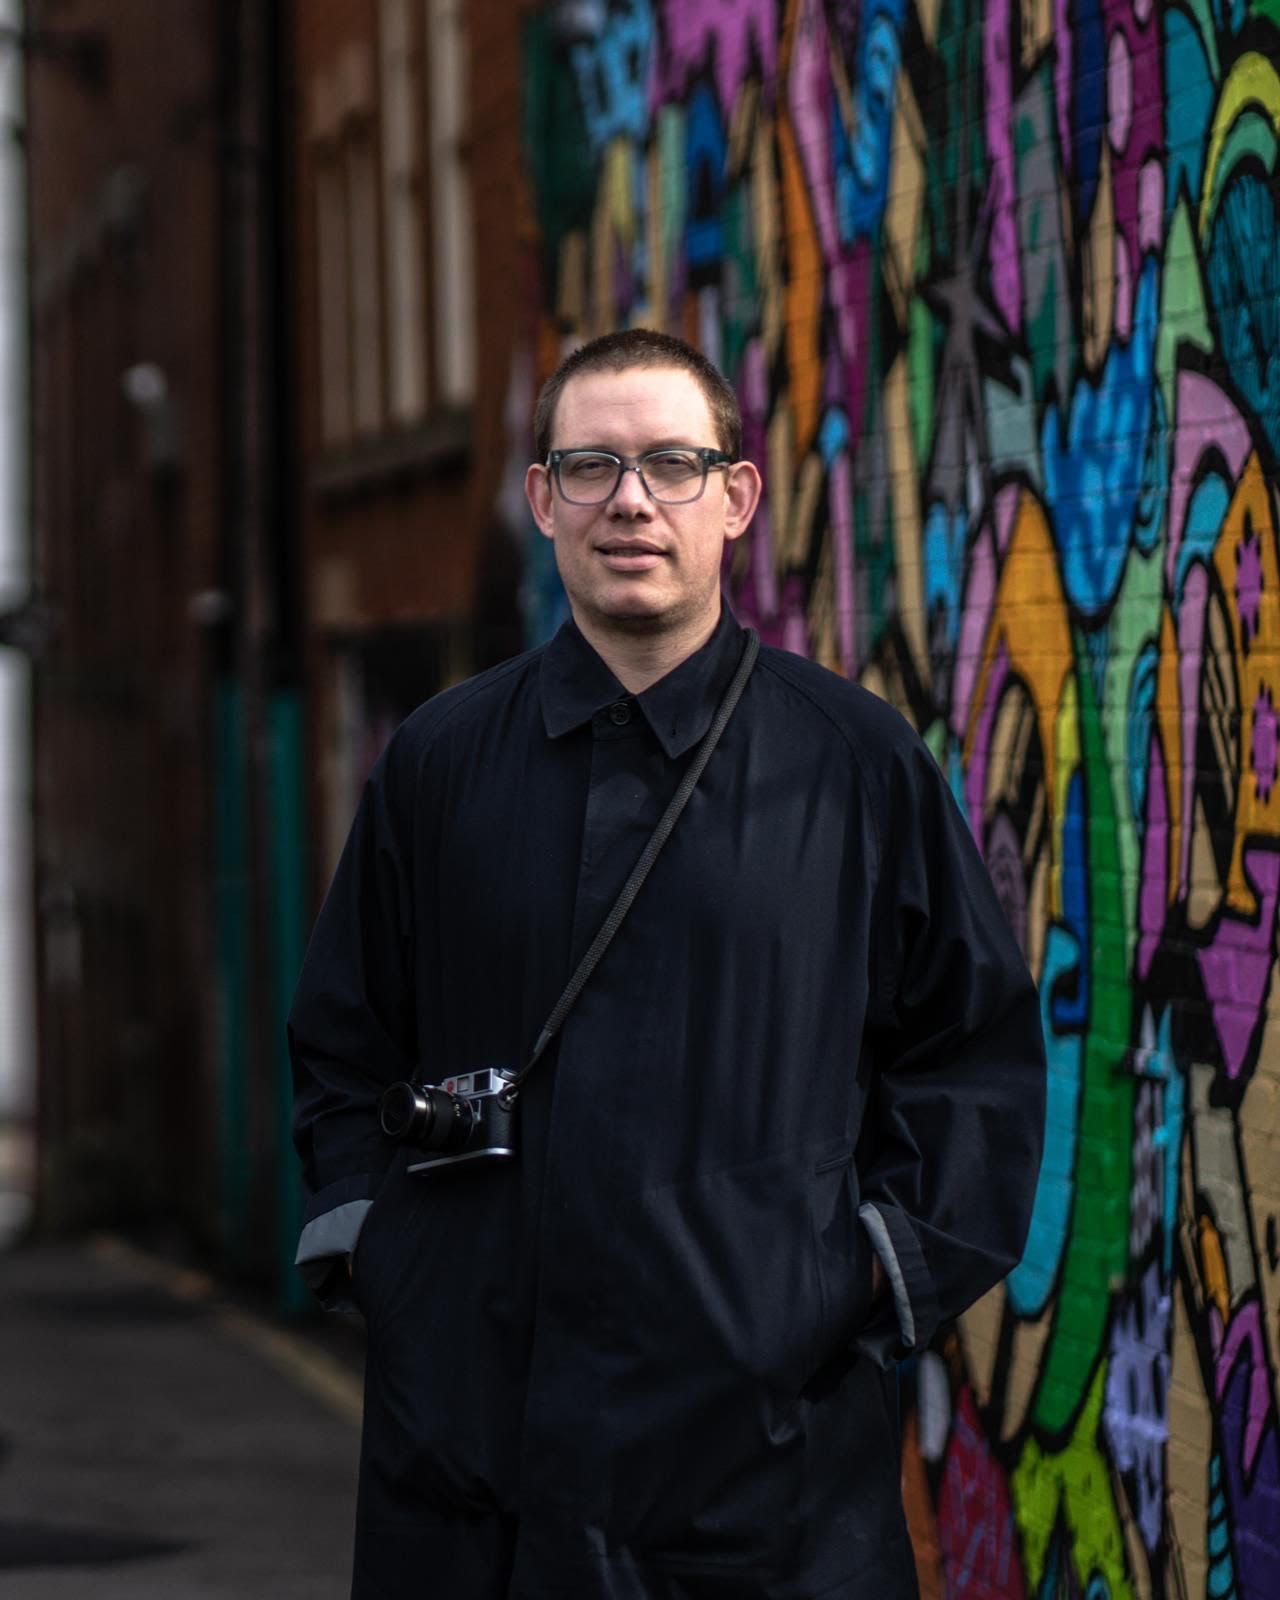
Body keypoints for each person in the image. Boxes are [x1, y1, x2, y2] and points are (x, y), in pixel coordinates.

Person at [289, 328, 1046, 1599]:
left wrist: (837, 1275)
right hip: (479, 1464)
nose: (629, 499)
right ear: (542, 501)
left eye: (671, 464)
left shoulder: (853, 767)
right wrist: (389, 1259)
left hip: (767, 1471)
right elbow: (343, 1037)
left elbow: (971, 1057)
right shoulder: (439, 762)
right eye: (588, 465)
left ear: (735, 499)